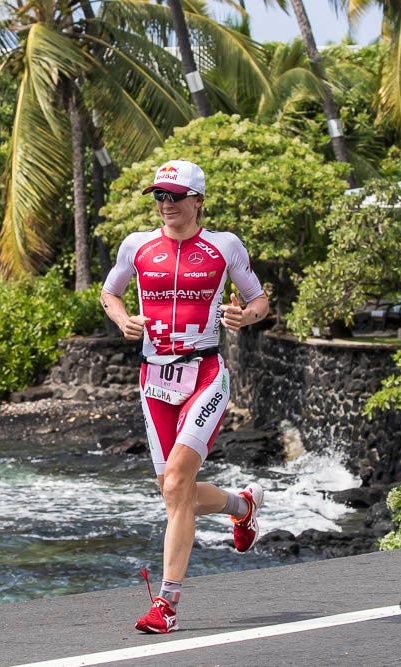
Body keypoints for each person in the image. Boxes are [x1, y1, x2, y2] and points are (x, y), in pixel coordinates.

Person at [99, 159, 270, 634]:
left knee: (176, 487)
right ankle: (242, 505)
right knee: (177, 494)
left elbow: (259, 300)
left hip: (205, 375)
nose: (166, 205)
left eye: (175, 196)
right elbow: (109, 293)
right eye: (159, 196)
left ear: (198, 200)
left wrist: (245, 317)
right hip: (154, 380)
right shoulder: (136, 246)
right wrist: (122, 320)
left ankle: (166, 605)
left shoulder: (224, 246)